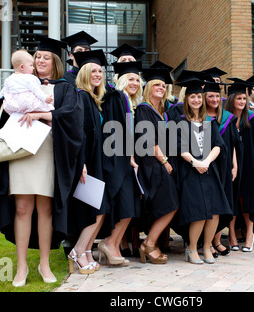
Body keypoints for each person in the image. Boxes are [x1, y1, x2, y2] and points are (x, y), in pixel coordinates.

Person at [0, 35, 84, 286]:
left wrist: (42, 114)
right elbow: (2, 108)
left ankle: (44, 264)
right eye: (37, 57)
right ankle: (21, 267)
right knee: (22, 208)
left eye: (46, 57)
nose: (40, 60)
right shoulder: (17, 82)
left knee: (45, 208)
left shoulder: (64, 87)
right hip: (21, 151)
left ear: (55, 61)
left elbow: (73, 118)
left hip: (47, 152)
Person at [66, 49, 117, 273]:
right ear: (85, 73)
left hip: (95, 162)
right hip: (88, 163)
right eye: (93, 71)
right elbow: (80, 134)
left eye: (100, 71)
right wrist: (82, 163)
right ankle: (77, 251)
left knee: (100, 208)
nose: (98, 74)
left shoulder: (93, 100)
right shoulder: (83, 97)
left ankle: (86, 251)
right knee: (95, 210)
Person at [173, 79, 231, 264]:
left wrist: (206, 161)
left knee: (214, 211)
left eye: (199, 96)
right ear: (187, 99)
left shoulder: (209, 122)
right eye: (193, 96)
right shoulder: (181, 122)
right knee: (198, 212)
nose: (197, 100)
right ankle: (191, 249)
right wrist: (196, 162)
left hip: (209, 170)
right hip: (190, 172)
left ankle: (207, 247)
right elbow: (181, 149)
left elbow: (218, 146)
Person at [99, 61, 143, 264]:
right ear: (122, 80)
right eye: (130, 79)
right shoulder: (116, 97)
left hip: (125, 161)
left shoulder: (128, 102)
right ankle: (109, 243)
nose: (134, 83)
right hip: (118, 161)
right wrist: (129, 157)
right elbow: (114, 131)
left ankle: (113, 245)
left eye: (137, 80)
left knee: (130, 206)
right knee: (125, 204)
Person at [134, 68, 179, 264]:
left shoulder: (160, 112)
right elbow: (148, 140)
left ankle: (150, 243)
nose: (161, 87)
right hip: (152, 164)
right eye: (157, 85)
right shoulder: (144, 109)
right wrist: (164, 161)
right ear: (149, 87)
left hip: (157, 163)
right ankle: (149, 243)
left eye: (163, 85)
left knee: (167, 204)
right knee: (170, 204)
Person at [224, 81, 254, 252]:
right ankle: (232, 234)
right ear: (232, 99)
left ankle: (250, 234)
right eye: (239, 98)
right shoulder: (225, 119)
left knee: (249, 200)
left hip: (249, 165)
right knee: (233, 199)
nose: (242, 102)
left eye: (244, 98)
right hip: (231, 165)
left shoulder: (253, 119)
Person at [204, 81, 240, 256]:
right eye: (211, 96)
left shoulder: (227, 117)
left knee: (222, 201)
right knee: (209, 203)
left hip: (224, 164)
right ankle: (206, 242)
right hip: (206, 164)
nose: (214, 99)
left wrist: (235, 164)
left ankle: (216, 240)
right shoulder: (200, 116)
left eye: (217, 96)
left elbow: (232, 143)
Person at [0, 49, 54, 115]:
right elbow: (36, 90)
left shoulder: (9, 79)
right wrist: (45, 98)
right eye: (31, 65)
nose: (33, 68)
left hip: (13, 105)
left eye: (46, 58)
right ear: (22, 67)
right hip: (28, 103)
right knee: (47, 110)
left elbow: (3, 92)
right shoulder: (30, 78)